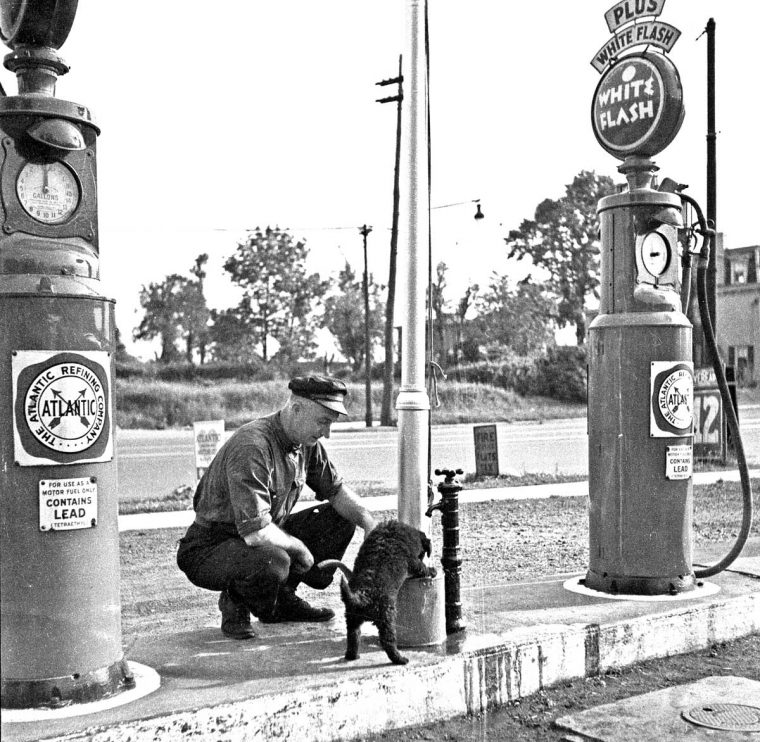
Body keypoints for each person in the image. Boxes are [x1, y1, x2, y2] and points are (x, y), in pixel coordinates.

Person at [177, 375, 377, 640]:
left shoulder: (307, 444)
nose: (326, 433)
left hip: (260, 536)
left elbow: (337, 491)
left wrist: (370, 524)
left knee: (340, 519)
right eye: (323, 422)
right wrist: (299, 547)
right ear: (296, 409)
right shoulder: (253, 445)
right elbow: (256, 533)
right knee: (275, 560)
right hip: (211, 545)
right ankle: (236, 599)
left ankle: (281, 601)